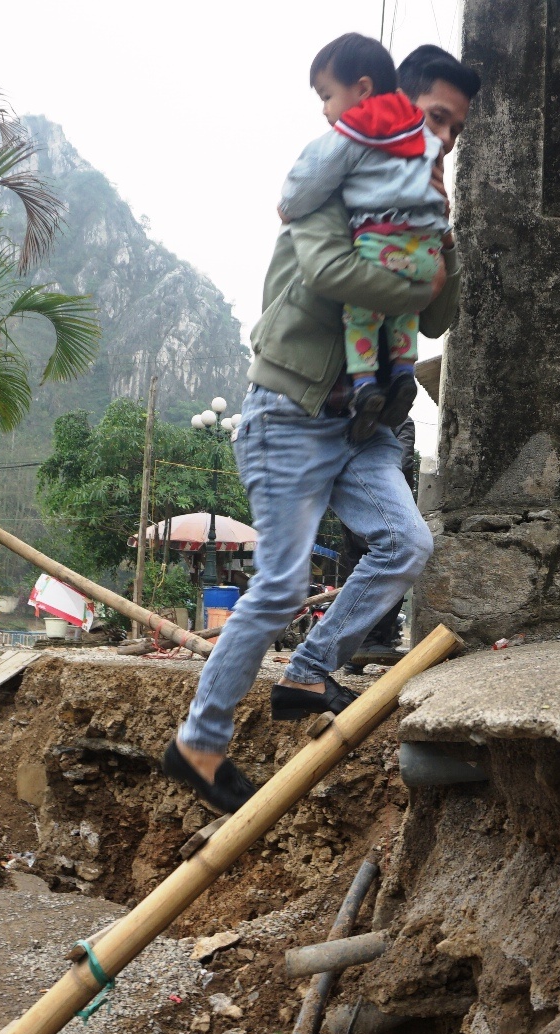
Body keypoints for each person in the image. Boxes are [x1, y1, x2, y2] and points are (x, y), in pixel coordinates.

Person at [163, 43, 478, 814]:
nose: (440, 139)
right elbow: (336, 277)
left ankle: (310, 669)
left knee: (407, 544)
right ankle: (198, 745)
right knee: (279, 586)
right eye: (433, 118)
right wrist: (413, 268)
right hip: (291, 415)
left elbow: (439, 314)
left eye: (454, 131)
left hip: (362, 426)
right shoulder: (328, 188)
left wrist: (433, 236)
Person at [278, 33, 448, 444]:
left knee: (362, 313)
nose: (324, 110)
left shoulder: (356, 130)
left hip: (382, 241)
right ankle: (405, 372)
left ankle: (366, 384)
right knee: (402, 315)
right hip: (426, 249)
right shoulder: (419, 130)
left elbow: (311, 181)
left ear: (363, 89)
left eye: (327, 95)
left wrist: (288, 205)